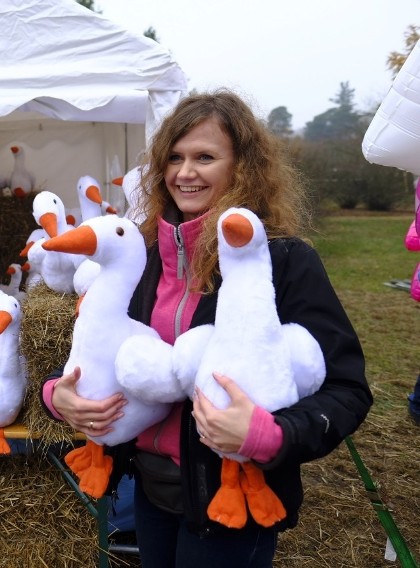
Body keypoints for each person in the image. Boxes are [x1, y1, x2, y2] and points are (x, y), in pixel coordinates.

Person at [40, 90, 372, 567]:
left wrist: (271, 435)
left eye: (205, 157)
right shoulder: (146, 258)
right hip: (152, 491)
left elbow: (346, 387)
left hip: (232, 502)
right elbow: (97, 345)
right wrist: (59, 395)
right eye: (174, 157)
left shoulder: (282, 260)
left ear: (243, 167)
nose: (184, 172)